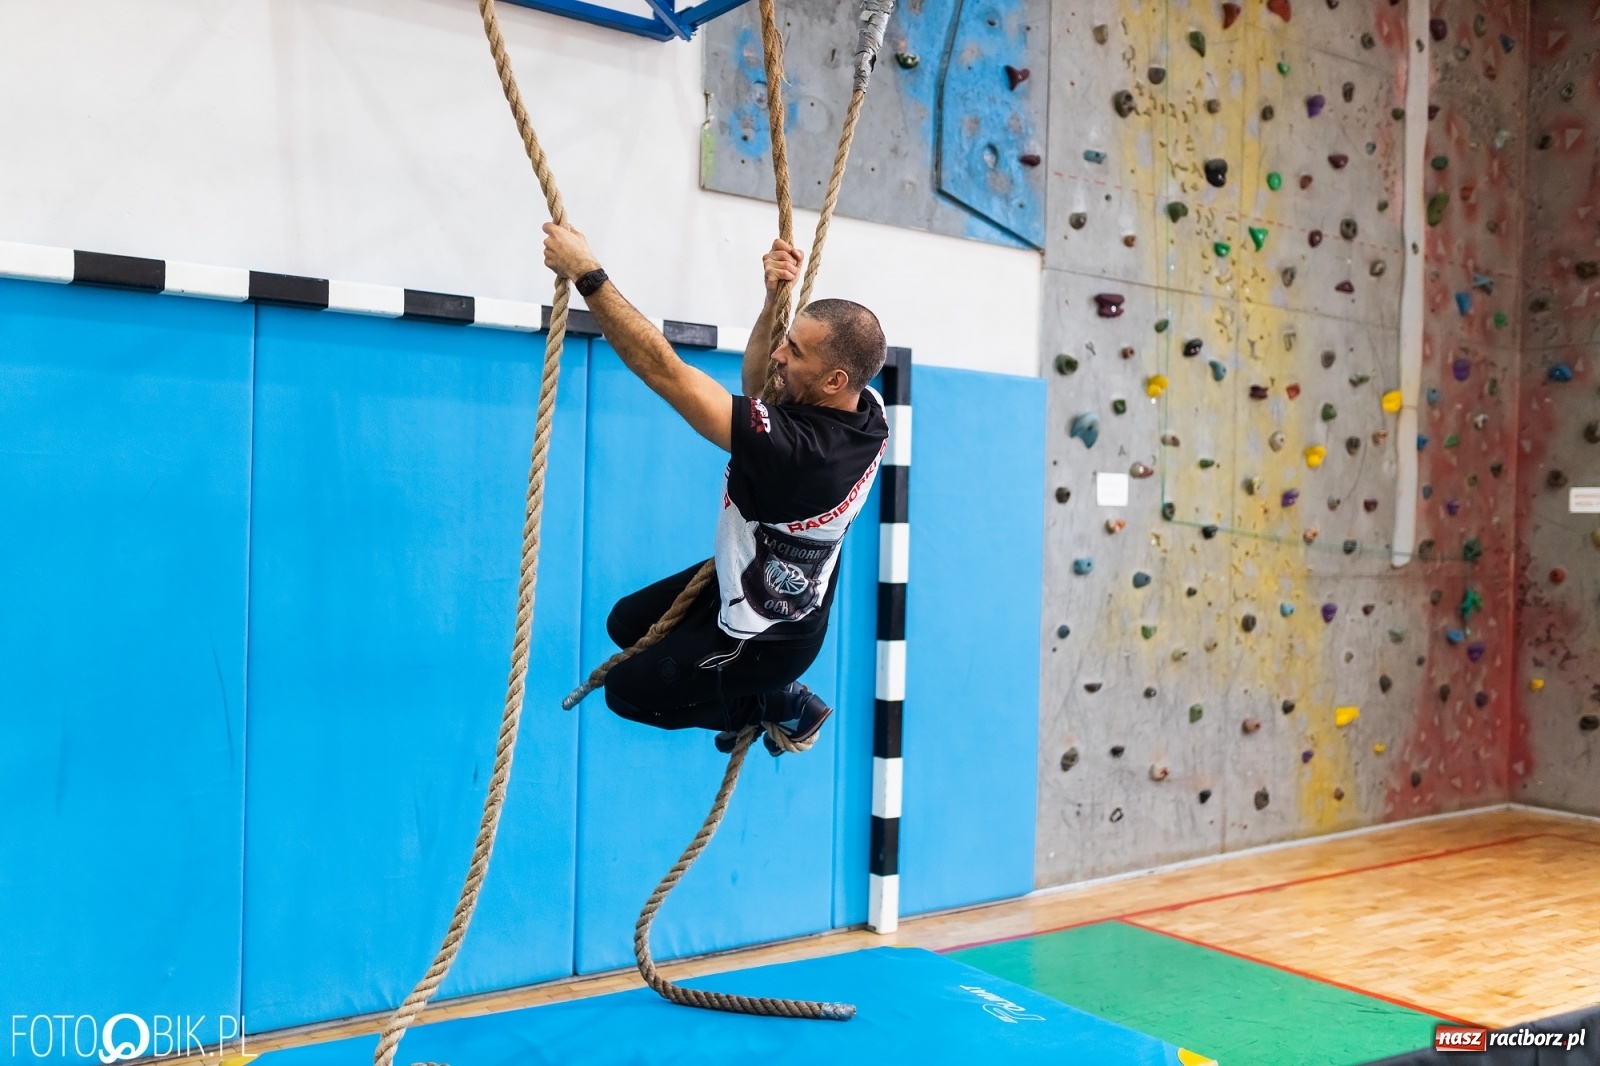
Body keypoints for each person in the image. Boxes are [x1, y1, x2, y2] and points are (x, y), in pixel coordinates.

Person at [541, 222, 889, 755]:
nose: (780, 356)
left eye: (793, 351)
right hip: (754, 580)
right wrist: (774, 300)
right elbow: (761, 390)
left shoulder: (803, 457)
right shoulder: (867, 411)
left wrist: (588, 275)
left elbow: (667, 373)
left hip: (763, 638)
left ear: (836, 380)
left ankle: (779, 702)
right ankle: (761, 693)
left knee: (626, 694)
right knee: (625, 623)